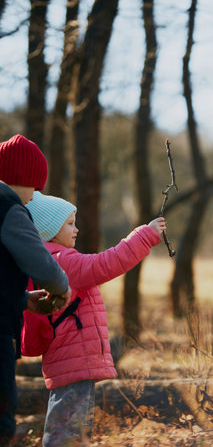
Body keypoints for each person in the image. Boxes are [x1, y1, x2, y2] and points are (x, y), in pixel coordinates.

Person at [23, 191, 166, 446]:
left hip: (72, 361)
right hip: (72, 362)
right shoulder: (61, 262)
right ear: (50, 228)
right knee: (67, 433)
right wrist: (145, 235)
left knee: (69, 430)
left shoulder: (50, 259)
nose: (76, 229)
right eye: (69, 223)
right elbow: (105, 264)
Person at [0, 134, 71, 446]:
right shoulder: (10, 210)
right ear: (22, 180)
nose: (34, 196)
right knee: (2, 416)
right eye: (34, 188)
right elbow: (40, 262)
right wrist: (62, 286)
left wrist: (23, 299)